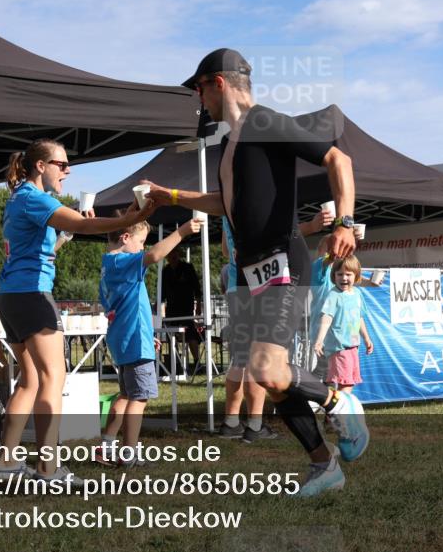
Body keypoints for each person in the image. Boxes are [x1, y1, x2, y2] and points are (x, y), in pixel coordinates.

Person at [142, 48, 367, 496]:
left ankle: (340, 400)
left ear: (218, 83)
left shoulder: (265, 121)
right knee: (272, 377)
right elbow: (225, 204)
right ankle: (325, 466)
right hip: (249, 270)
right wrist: (169, 195)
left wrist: (344, 223)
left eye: (199, 90)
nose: (198, 101)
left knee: (266, 369)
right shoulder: (229, 142)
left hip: (283, 259)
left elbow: (339, 161)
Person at [0, 138, 155, 485]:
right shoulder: (36, 199)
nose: (68, 171)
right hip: (32, 295)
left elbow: (44, 247)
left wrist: (70, 231)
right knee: (55, 377)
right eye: (62, 165)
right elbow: (84, 226)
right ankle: (48, 469)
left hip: (11, 295)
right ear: (41, 166)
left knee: (31, 380)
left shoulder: (18, 198)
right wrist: (131, 217)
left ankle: (6, 464)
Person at [97, 215, 202, 467]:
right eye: (141, 241)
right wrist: (183, 232)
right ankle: (129, 454)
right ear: (125, 238)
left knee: (124, 395)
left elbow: (127, 306)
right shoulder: (124, 261)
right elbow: (155, 255)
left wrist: (147, 337)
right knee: (139, 398)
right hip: (134, 340)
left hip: (125, 339)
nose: (143, 247)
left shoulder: (108, 264)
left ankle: (107, 446)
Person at [219, 210, 332, 442]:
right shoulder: (256, 196)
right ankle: (255, 425)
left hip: (234, 286)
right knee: (260, 359)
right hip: (258, 285)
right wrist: (310, 226)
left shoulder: (227, 204)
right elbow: (275, 238)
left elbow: (224, 249)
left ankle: (231, 423)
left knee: (240, 359)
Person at [312, 255, 373, 397]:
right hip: (339, 347)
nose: (344, 278)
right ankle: (339, 413)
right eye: (339, 274)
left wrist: (366, 338)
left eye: (348, 274)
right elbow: (326, 317)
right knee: (346, 384)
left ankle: (333, 414)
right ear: (334, 276)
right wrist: (320, 340)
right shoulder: (333, 295)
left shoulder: (357, 294)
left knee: (346, 383)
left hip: (353, 346)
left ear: (356, 276)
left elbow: (358, 318)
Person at [161, 247, 203, 368]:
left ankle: (196, 362)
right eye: (170, 254)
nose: (172, 256)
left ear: (178, 254)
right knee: (170, 334)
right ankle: (175, 362)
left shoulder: (188, 268)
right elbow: (162, 293)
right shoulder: (165, 271)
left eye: (175, 253)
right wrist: (159, 307)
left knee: (190, 334)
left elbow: (197, 288)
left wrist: (199, 305)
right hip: (172, 309)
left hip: (186, 308)